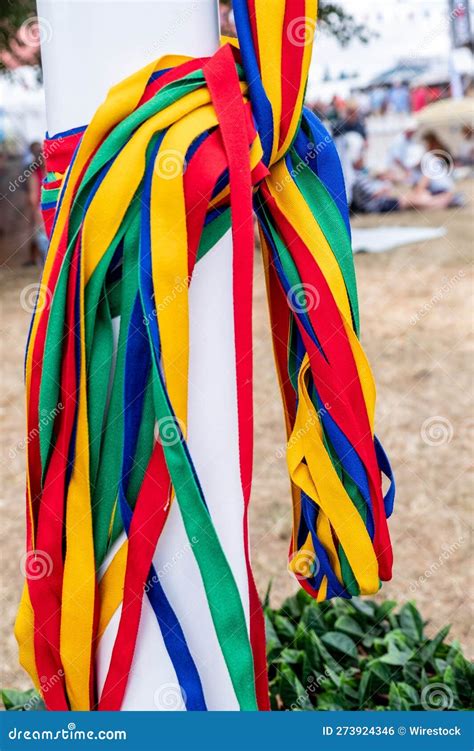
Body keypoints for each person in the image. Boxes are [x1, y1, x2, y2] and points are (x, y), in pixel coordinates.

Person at [346, 132, 457, 214]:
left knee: (414, 198)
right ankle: (442, 201)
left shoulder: (429, 162)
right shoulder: (358, 176)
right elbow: (414, 183)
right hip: (377, 204)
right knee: (412, 199)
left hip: (439, 190)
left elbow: (420, 184)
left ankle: (443, 200)